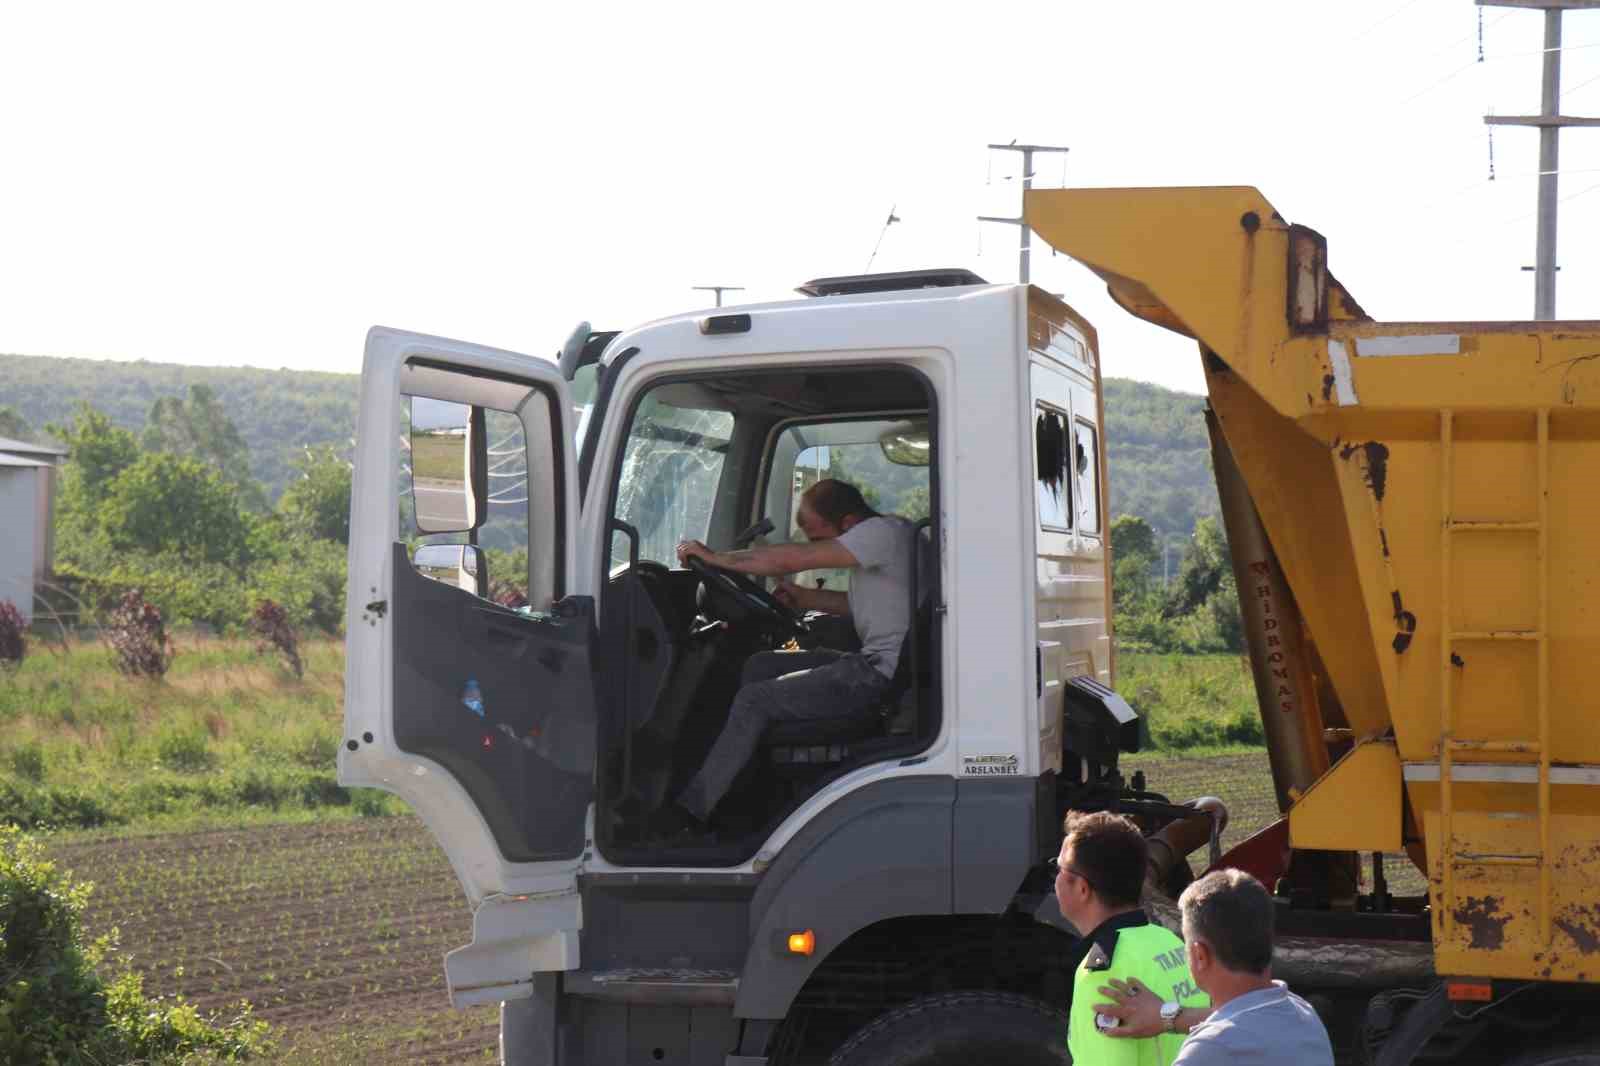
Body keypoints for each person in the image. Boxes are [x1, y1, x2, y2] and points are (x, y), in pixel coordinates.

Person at [648, 479, 915, 837]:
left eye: (819, 539)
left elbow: (790, 559)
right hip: (877, 665)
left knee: (753, 701)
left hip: (877, 677)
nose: (815, 547)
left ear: (849, 523)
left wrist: (717, 559)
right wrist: (805, 598)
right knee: (762, 665)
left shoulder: (881, 533)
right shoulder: (891, 538)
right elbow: (865, 606)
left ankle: (690, 815)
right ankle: (745, 776)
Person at [1090, 869, 1333, 1066]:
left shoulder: (1210, 1050)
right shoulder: (1304, 1015)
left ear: (1199, 954)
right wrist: (1168, 1016)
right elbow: (1248, 1022)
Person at [1055, 811, 1209, 1066]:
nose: (1055, 878)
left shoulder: (1104, 976)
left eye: (1059, 868)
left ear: (1082, 889)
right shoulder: (1170, 942)